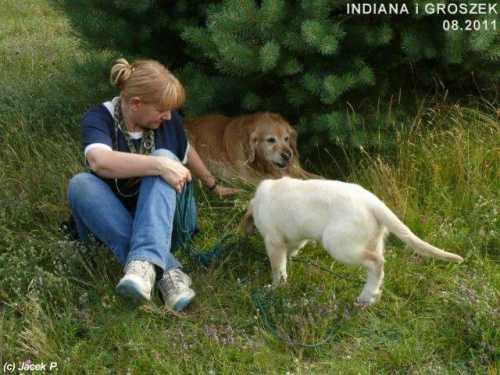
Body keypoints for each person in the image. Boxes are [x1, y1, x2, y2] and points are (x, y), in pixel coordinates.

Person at [67, 58, 237, 311]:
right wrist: (159, 166)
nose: (168, 116)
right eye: (161, 110)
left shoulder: (169, 121)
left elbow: (186, 150)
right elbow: (99, 161)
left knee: (165, 155)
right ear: (135, 104)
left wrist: (214, 186)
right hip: (115, 218)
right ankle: (168, 272)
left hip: (169, 224)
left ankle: (143, 267)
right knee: (80, 183)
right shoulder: (98, 117)